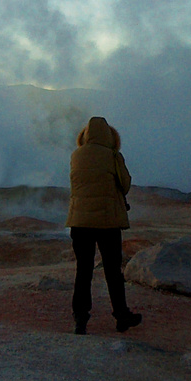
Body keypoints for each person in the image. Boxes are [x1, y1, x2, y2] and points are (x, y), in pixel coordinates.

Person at [65, 116, 142, 336]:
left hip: (79, 223)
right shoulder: (112, 155)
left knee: (84, 271)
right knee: (113, 272)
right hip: (108, 223)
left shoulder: (76, 156)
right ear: (110, 136)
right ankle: (121, 316)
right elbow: (125, 185)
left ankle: (80, 319)